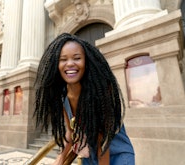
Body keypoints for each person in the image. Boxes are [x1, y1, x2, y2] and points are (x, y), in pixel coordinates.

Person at [34, 33, 135, 165]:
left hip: (117, 156)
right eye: (63, 59)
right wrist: (60, 159)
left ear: (86, 62)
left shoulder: (101, 92)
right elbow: (71, 134)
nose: (70, 64)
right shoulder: (63, 97)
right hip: (90, 157)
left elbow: (103, 144)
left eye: (77, 58)